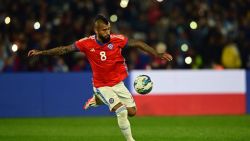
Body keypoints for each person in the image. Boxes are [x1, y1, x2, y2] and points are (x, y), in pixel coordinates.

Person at [28, 14, 173, 141]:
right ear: (96, 31)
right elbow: (64, 49)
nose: (107, 32)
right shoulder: (86, 43)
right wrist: (41, 53)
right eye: (104, 30)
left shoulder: (117, 39)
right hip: (101, 84)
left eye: (109, 28)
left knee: (132, 112)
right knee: (121, 111)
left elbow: (138, 43)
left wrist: (157, 54)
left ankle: (97, 100)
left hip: (117, 82)